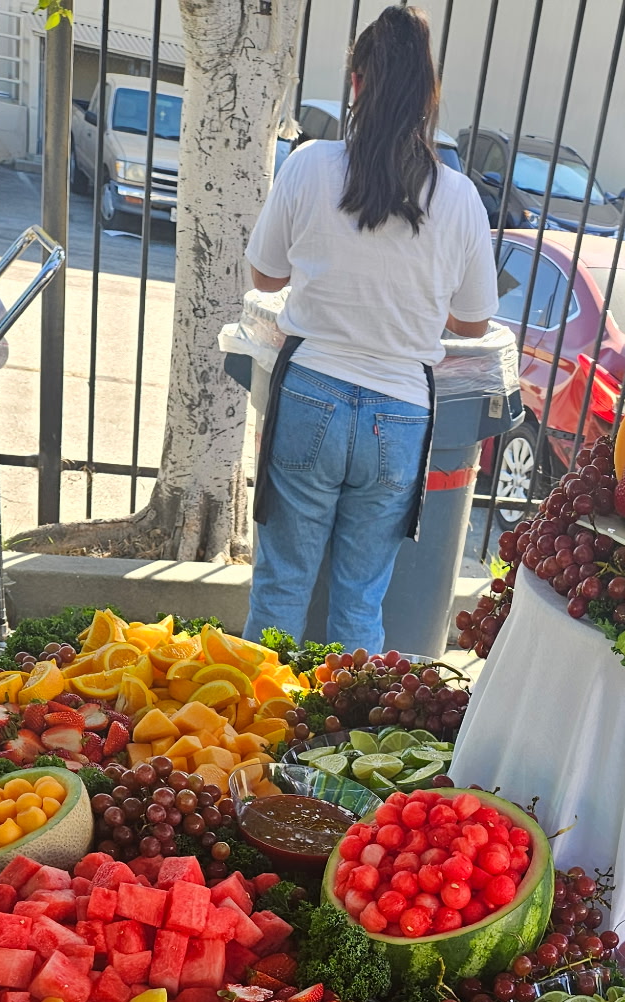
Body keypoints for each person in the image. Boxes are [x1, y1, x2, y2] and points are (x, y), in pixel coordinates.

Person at [242, 6, 498, 652]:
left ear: (356, 82)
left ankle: (250, 741)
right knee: (361, 602)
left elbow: (264, 277)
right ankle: (341, 743)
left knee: (281, 590)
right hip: (401, 415)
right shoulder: (460, 197)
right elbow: (474, 319)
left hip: (309, 397)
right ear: (428, 96)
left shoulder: (308, 166)